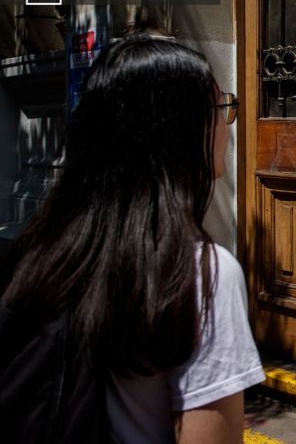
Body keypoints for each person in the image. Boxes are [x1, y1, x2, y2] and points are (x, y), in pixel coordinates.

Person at [0, 34, 264, 443]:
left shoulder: (42, 254)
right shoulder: (201, 274)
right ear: (180, 130)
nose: (227, 128)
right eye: (220, 108)